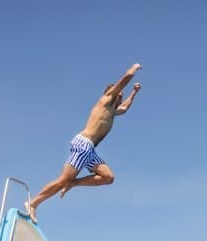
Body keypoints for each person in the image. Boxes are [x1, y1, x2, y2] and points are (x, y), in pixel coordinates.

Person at [24, 63, 143, 223]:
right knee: (62, 180)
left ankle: (73, 184)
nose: (121, 96)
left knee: (108, 177)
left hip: (90, 150)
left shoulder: (113, 112)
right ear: (113, 93)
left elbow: (125, 108)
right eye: (120, 93)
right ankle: (33, 203)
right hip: (83, 144)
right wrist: (134, 68)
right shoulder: (105, 100)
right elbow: (125, 78)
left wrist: (134, 93)